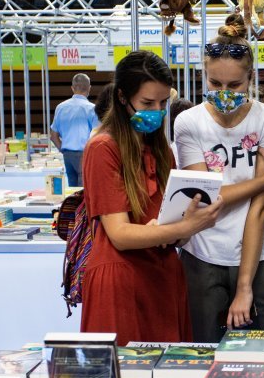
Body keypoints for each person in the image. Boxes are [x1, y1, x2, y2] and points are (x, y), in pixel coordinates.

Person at [81, 51, 223, 345]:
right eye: (147, 103)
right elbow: (119, 234)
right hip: (121, 281)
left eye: (162, 104)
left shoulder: (161, 150)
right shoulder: (103, 148)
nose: (157, 111)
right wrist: (184, 228)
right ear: (122, 98)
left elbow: (170, 228)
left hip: (163, 276)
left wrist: (187, 225)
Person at [174, 14, 264, 343]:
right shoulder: (188, 123)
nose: (224, 93)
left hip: (258, 258)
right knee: (203, 353)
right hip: (202, 255)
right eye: (215, 84)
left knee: (257, 358)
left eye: (234, 86)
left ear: (251, 78)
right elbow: (206, 196)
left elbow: (259, 210)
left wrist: (244, 287)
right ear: (204, 77)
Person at [51, 73, 99, 187]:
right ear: (89, 88)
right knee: (84, 192)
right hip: (85, 155)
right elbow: (97, 135)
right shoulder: (92, 109)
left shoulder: (60, 107)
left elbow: (53, 136)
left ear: (72, 88)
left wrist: (63, 150)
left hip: (67, 155)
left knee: (73, 193)